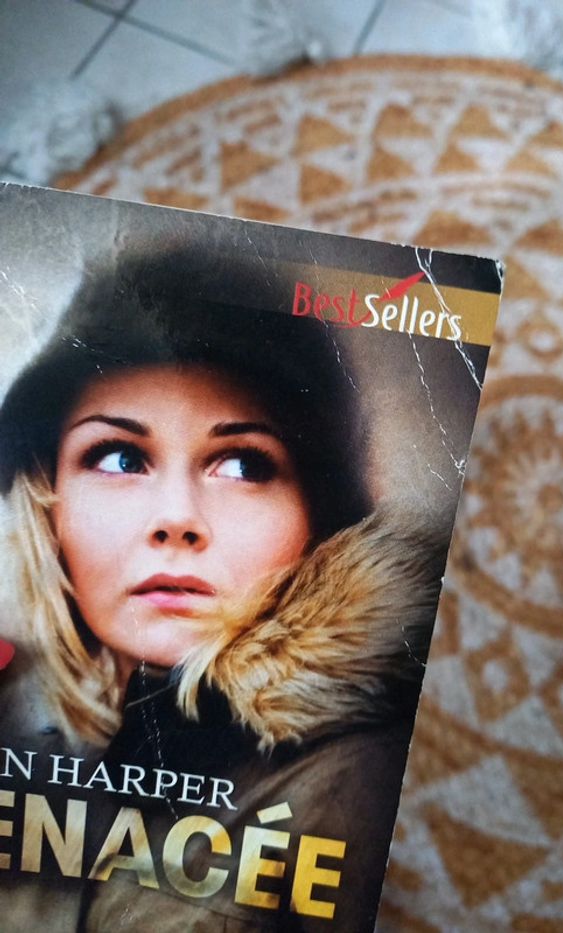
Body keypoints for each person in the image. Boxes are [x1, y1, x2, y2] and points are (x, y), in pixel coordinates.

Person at [0, 245, 447, 932]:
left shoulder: (367, 781)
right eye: (119, 457)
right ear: (47, 495)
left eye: (242, 464)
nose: (176, 518)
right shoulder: (42, 752)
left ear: (320, 515)